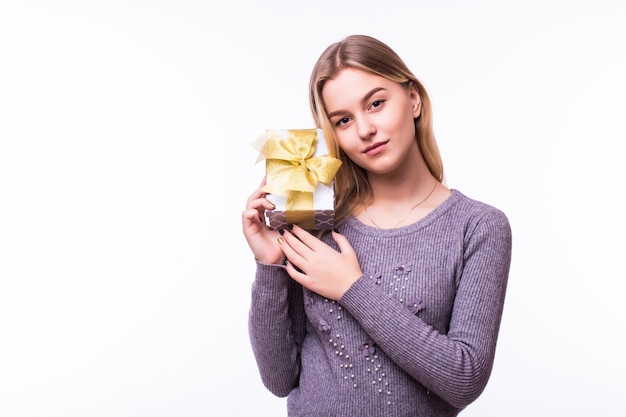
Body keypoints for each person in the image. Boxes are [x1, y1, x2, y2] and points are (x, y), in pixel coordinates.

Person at [242, 34, 512, 417]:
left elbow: (464, 378)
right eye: (344, 120)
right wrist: (270, 265)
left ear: (414, 99)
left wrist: (352, 288)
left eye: (377, 103)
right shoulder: (319, 222)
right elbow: (280, 378)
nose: (365, 129)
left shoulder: (478, 227)